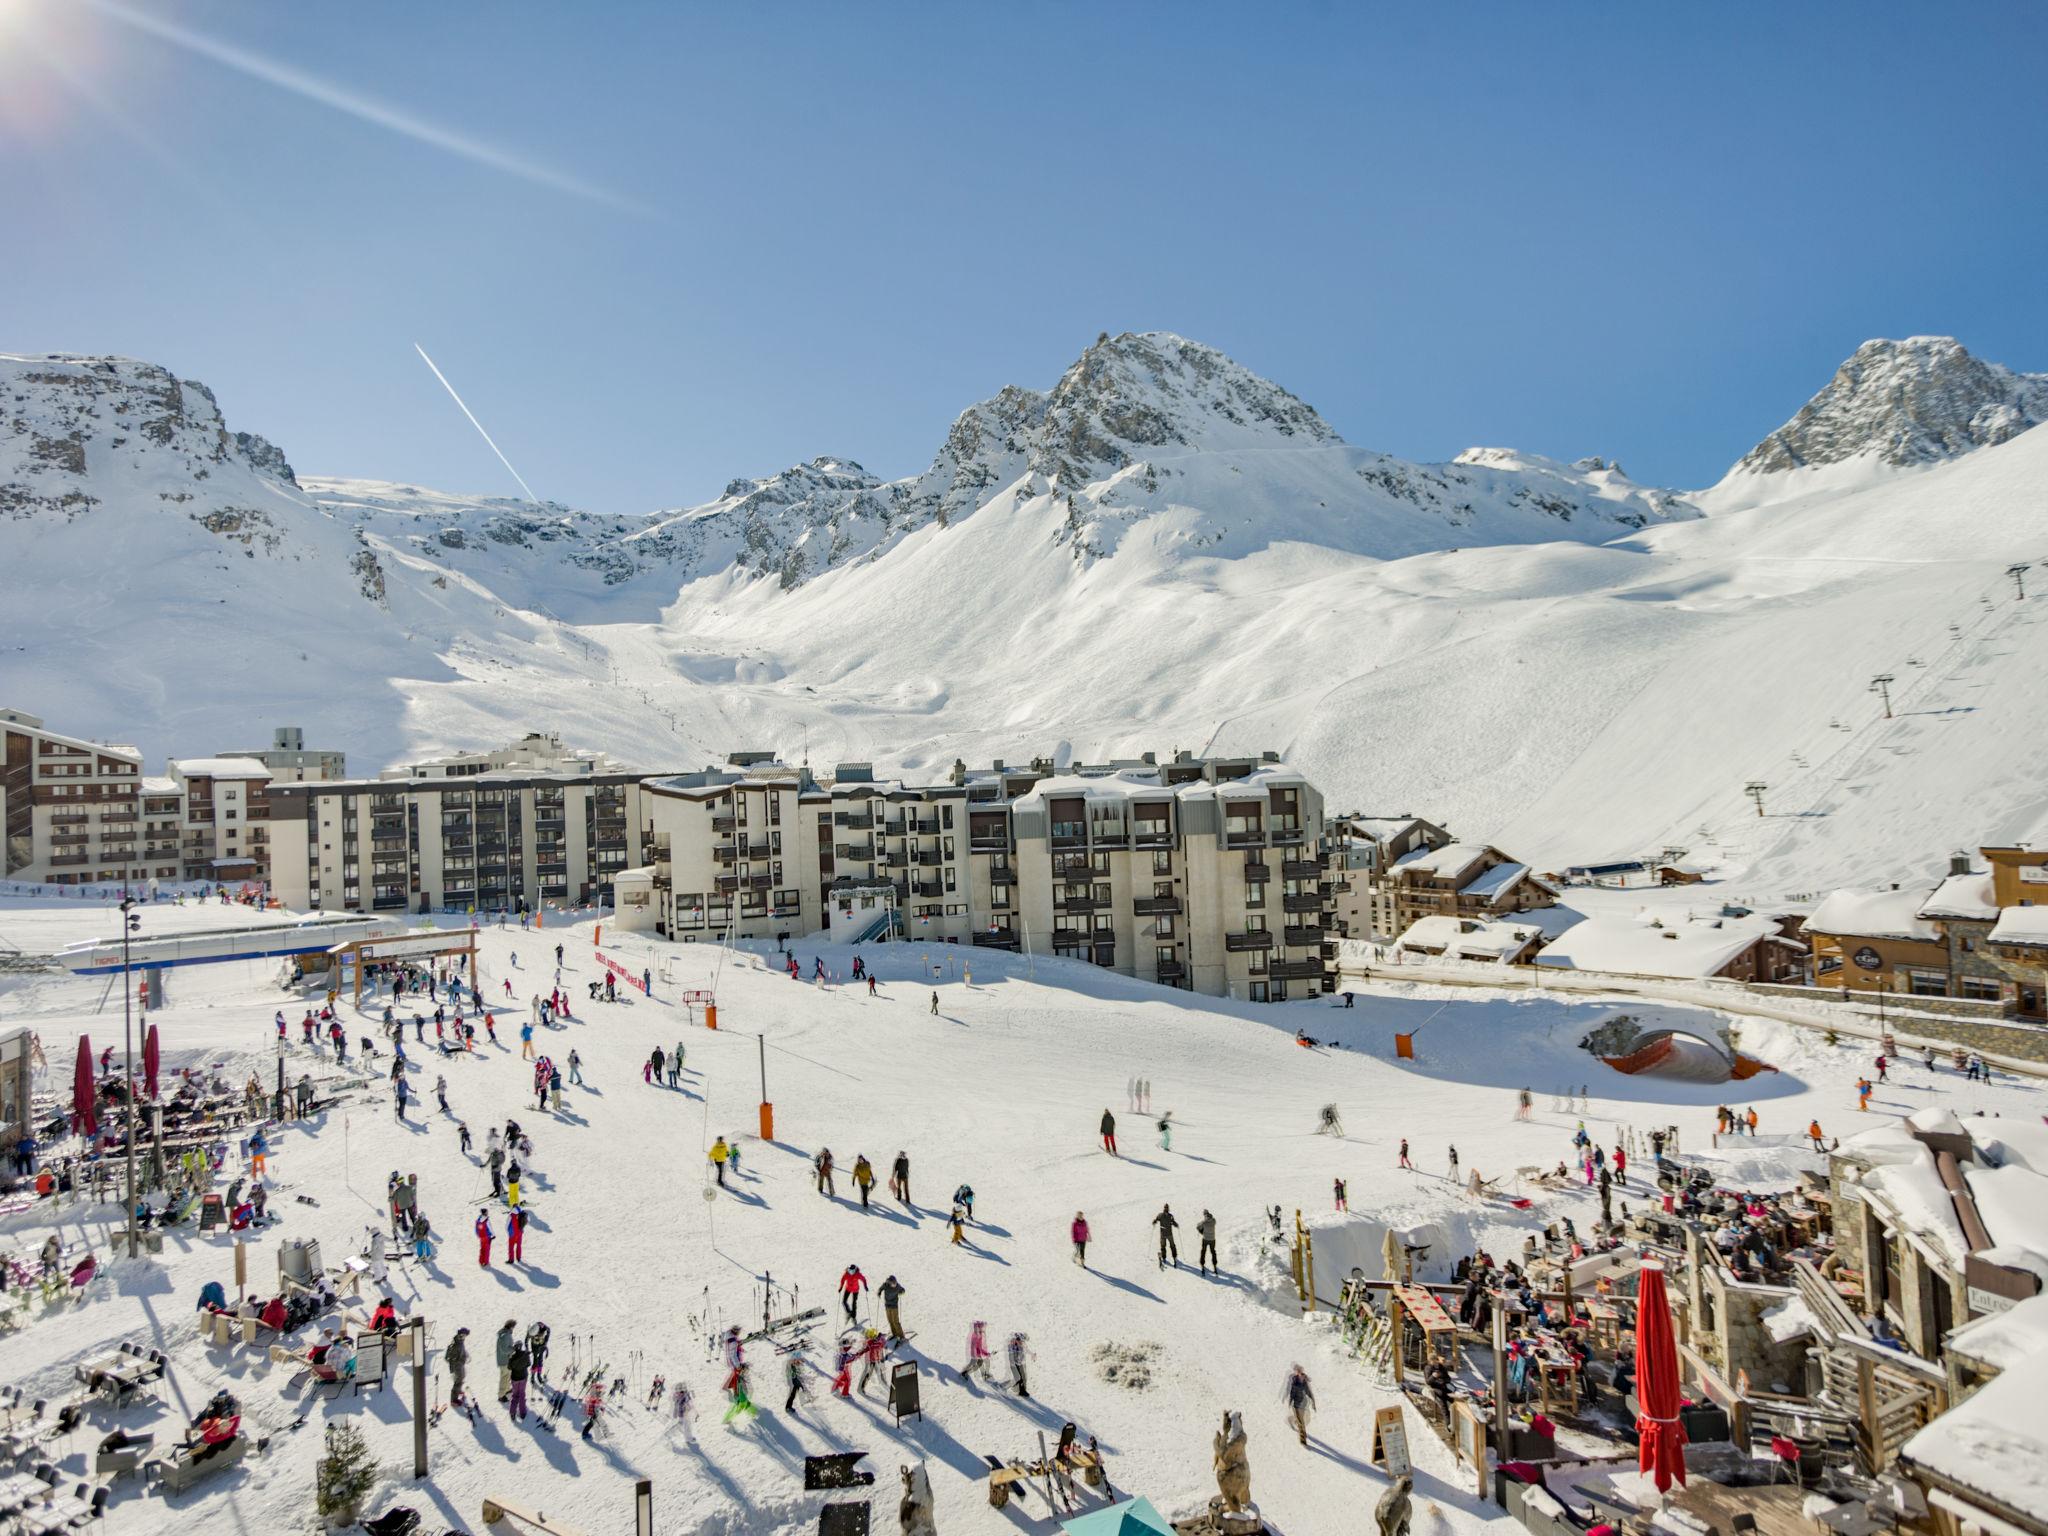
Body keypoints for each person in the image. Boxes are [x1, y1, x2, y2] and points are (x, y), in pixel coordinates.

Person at [1283, 1364, 1316, 1445]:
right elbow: (1292, 1393)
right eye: (1298, 1371)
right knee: (1301, 1422)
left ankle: (1292, 1420)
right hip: (1296, 1405)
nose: (1300, 1373)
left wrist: (1313, 1403)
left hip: (1303, 1405)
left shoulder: (1305, 1382)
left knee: (1301, 1421)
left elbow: (1309, 1392)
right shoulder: (1294, 1382)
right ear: (1296, 1373)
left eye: (1301, 1371)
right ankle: (1303, 1439)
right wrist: (1290, 1402)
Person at [506, 1338, 531, 1421]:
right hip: (523, 1377)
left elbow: (509, 1367)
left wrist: (510, 1359)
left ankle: (512, 1412)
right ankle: (522, 1413)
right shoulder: (525, 1354)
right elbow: (529, 1364)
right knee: (522, 1395)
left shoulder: (512, 1358)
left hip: (515, 1379)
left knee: (515, 1395)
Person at [446, 1326, 471, 1406]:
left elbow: (461, 1350)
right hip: (457, 1366)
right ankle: (454, 1400)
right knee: (458, 1381)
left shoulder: (460, 1341)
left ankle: (459, 1391)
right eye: (465, 1335)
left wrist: (465, 1354)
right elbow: (450, 1358)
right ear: (461, 1335)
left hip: (460, 1364)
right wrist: (459, 1361)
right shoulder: (455, 1344)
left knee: (462, 1377)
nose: (465, 1337)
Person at [495, 1320, 518, 1402]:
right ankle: (501, 1395)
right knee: (504, 1378)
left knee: (507, 1376)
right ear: (511, 1327)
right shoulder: (506, 1335)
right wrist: (513, 1349)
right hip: (505, 1361)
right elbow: (505, 1349)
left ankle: (507, 1390)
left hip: (503, 1360)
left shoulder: (504, 1334)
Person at [879, 1274, 907, 1342]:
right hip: (887, 1305)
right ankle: (895, 1334)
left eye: (895, 1282)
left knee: (895, 1321)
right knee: (890, 1320)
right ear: (889, 1283)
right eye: (893, 1283)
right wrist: (879, 1292)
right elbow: (881, 1288)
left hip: (894, 1306)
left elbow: (903, 1290)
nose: (894, 1284)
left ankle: (901, 1336)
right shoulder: (886, 1285)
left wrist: (901, 1292)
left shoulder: (897, 1286)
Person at [1153, 1203, 1180, 1269]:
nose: (1166, 1209)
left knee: (1172, 1246)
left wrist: (1176, 1224)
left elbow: (1173, 1222)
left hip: (1169, 1234)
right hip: (1163, 1234)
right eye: (1165, 1208)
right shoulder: (1160, 1215)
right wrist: (1154, 1221)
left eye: (1167, 1208)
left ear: (1168, 1209)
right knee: (1163, 1246)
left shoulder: (1170, 1216)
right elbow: (1156, 1219)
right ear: (1164, 1208)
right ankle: (1164, 1257)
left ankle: (1174, 1256)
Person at [1006, 1331, 1031, 1397]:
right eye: (1020, 1340)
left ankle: (1022, 1391)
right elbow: (1013, 1356)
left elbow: (1025, 1350)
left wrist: (1032, 1354)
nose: (1021, 1342)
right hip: (1015, 1364)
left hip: (1020, 1363)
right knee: (1019, 1377)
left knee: (1022, 1377)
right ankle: (1014, 1388)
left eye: (1022, 1341)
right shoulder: (1013, 1346)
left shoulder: (1020, 1344)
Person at [1197, 1209, 1219, 1274]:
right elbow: (1212, 1220)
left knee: (1203, 1251)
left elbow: (1198, 1226)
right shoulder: (1214, 1221)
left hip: (1205, 1239)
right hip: (1212, 1239)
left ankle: (1202, 1263)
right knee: (1213, 1251)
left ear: (1205, 1215)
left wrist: (1202, 1232)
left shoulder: (1204, 1222)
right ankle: (1214, 1264)